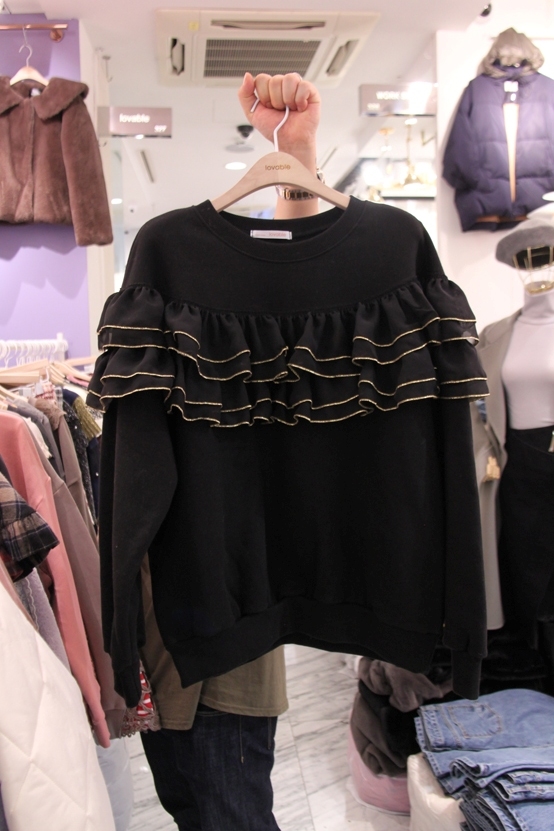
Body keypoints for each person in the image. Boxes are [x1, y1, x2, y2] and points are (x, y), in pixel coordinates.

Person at [139, 71, 323, 831]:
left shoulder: (263, 344)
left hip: (225, 651)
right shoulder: (153, 312)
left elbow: (298, 289)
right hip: (166, 650)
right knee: (197, 808)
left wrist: (298, 158)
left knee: (231, 813)